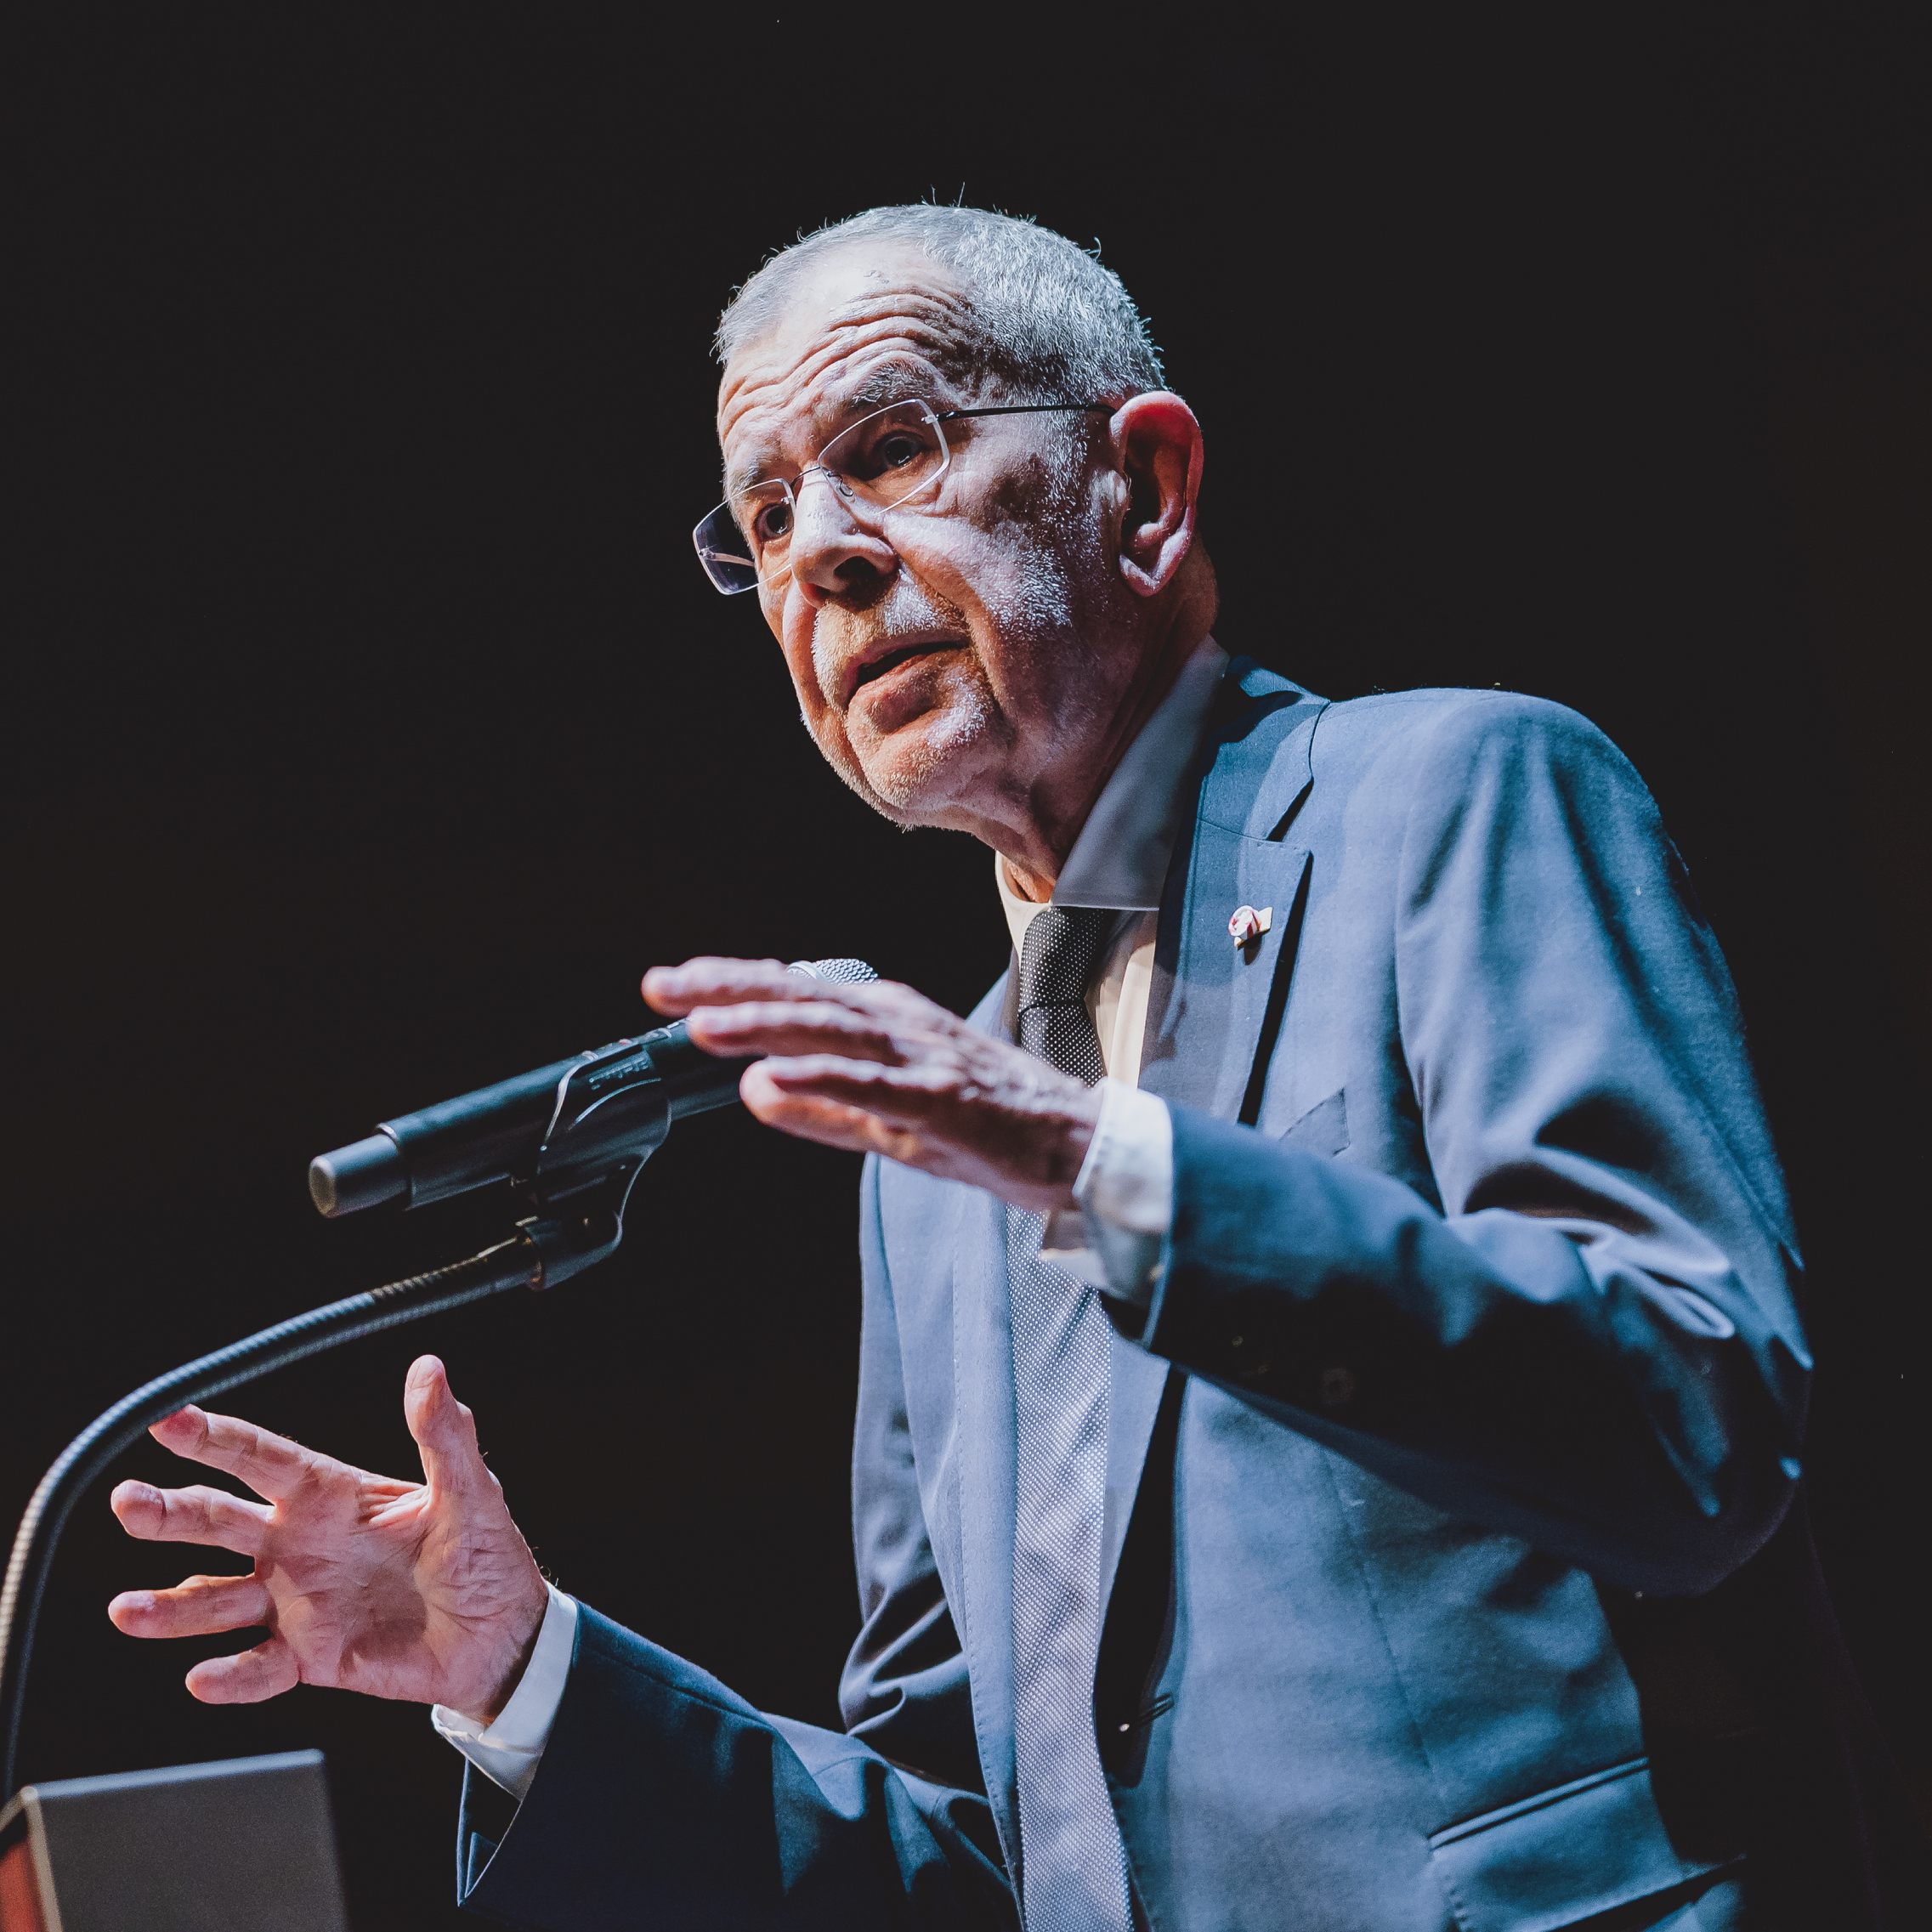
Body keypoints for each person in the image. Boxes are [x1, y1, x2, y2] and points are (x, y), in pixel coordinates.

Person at [105, 207, 1916, 1930]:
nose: (819, 549)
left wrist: (1090, 1160)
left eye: (890, 446)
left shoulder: (1451, 800)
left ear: (1144, 487)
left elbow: (1696, 1420)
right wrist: (525, 1670)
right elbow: (977, 1854)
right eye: (765, 510)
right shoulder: (934, 1143)